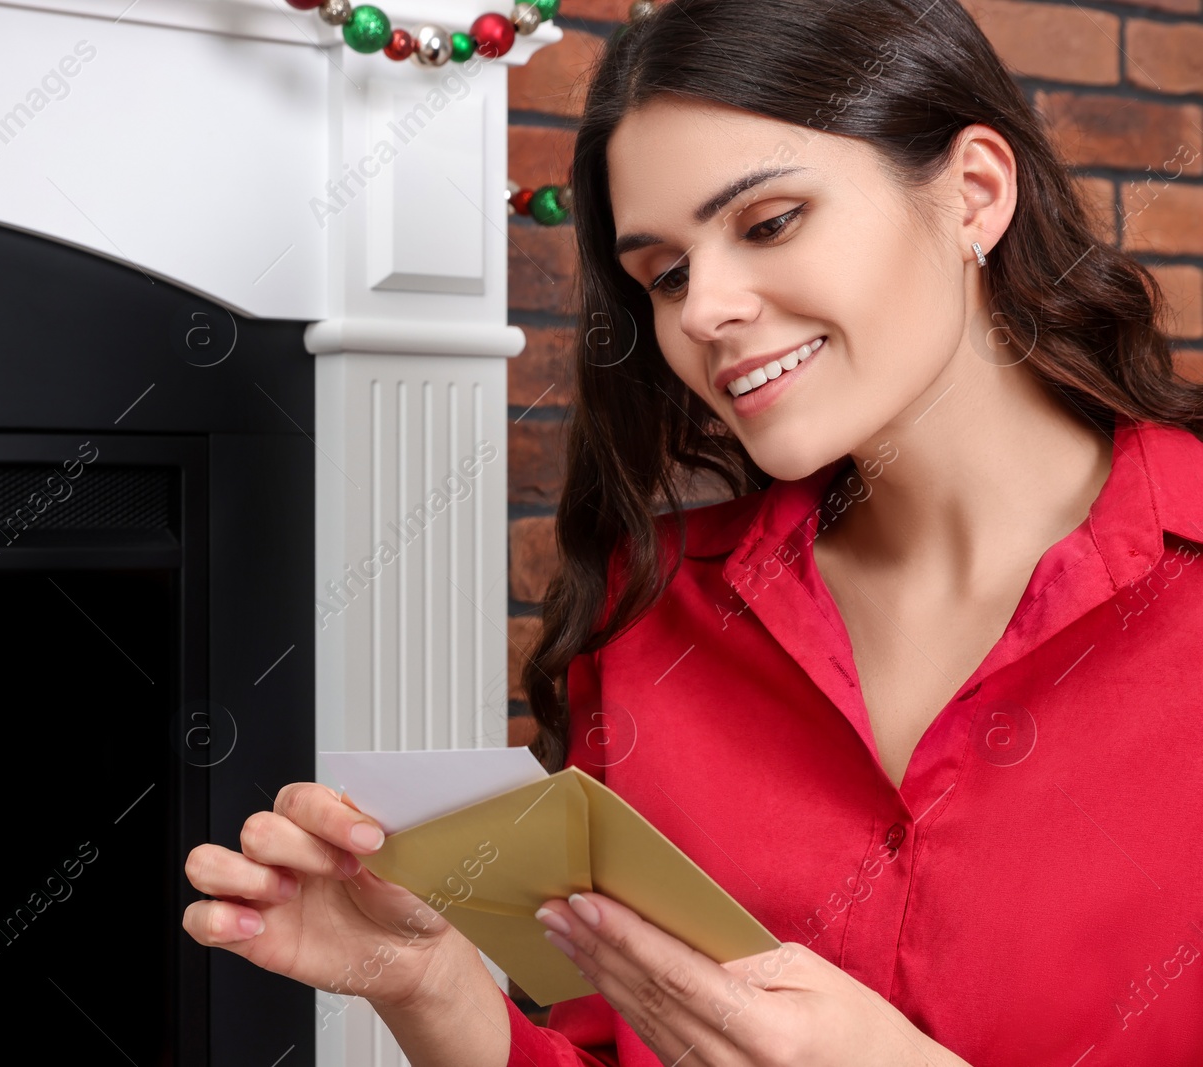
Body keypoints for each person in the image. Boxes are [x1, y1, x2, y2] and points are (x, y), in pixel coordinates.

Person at [183, 0, 1203, 1063]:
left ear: (974, 195)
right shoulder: (654, 613)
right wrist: (437, 993)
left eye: (767, 223)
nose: (701, 309)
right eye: (663, 274)